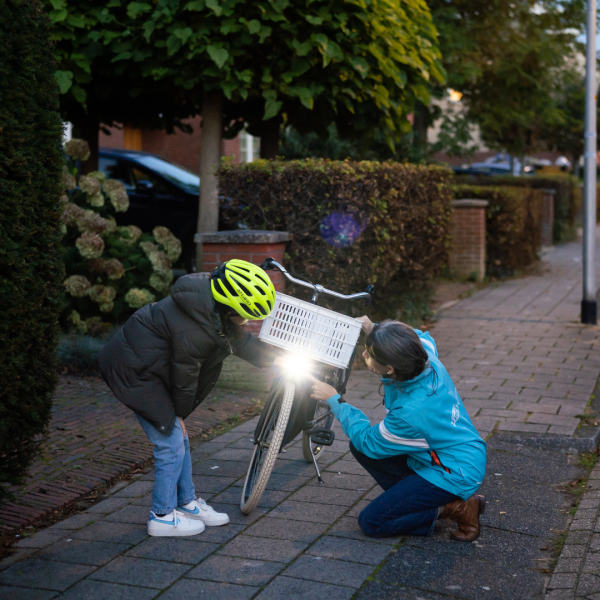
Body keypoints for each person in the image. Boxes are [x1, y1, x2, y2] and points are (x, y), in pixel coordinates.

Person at [98, 259, 277, 537]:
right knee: (170, 441)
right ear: (230, 307)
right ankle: (162, 516)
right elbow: (185, 378)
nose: (249, 322)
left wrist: (285, 359)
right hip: (135, 371)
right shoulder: (196, 328)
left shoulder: (211, 310)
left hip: (151, 366)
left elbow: (244, 344)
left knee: (179, 437)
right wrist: (178, 414)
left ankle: (186, 503)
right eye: (246, 315)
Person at [310, 318, 487, 541]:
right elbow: (420, 336)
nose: (364, 355)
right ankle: (417, 500)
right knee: (358, 447)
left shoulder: (410, 413)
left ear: (390, 368)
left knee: (373, 522)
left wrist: (335, 401)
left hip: (453, 471)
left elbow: (369, 441)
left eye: (370, 353)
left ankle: (455, 508)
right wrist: (374, 329)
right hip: (447, 454)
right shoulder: (423, 357)